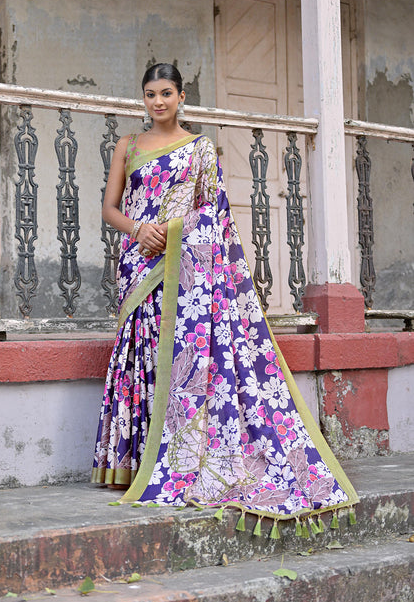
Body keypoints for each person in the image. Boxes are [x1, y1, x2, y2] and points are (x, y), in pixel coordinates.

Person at [91, 62, 358, 533]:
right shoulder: (127, 146)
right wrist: (139, 229)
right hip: (139, 261)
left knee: (178, 356)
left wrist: (172, 233)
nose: (158, 102)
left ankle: (178, 457)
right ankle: (133, 460)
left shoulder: (200, 150)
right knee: (143, 351)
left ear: (181, 95)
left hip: (185, 266)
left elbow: (212, 216)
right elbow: (110, 208)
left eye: (166, 93)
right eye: (150, 94)